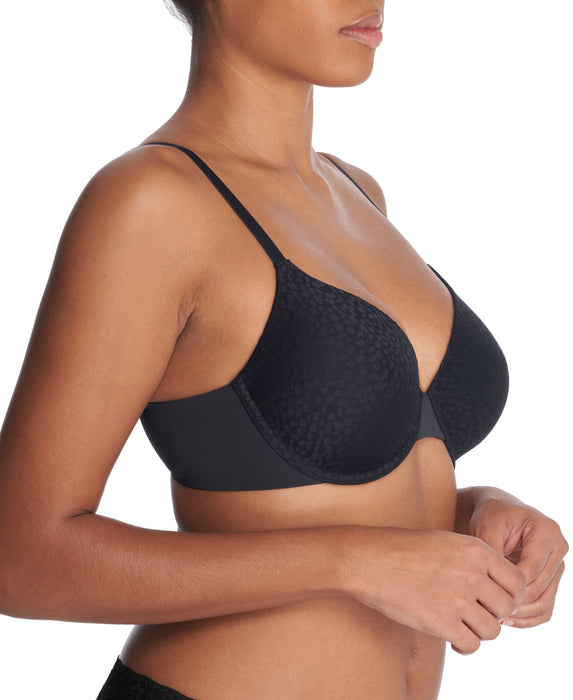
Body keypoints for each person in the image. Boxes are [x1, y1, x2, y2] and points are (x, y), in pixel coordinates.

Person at [0, 1, 568, 698]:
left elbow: (321, 494)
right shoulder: (151, 203)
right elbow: (20, 559)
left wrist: (474, 510)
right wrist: (355, 564)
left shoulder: (357, 192)